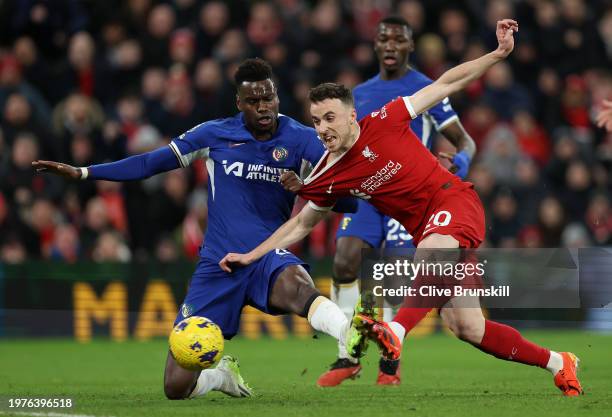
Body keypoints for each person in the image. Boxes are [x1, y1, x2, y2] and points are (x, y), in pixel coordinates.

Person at [219, 20, 583, 397]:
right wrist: (251, 255)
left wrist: (498, 53)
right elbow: (299, 226)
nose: (323, 129)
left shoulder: (387, 119)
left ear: (350, 115)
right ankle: (559, 362)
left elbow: (445, 83)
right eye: (315, 122)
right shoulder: (331, 173)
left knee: (431, 252)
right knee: (468, 327)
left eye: (329, 118)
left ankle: (395, 332)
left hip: (453, 202)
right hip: (428, 230)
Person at [33, 58, 359, 400]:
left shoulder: (302, 139)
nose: (264, 107)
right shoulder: (214, 134)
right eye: (254, 101)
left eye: (269, 98)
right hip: (217, 264)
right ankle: (221, 378)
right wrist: (85, 172)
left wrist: (306, 186)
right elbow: (148, 163)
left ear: (277, 96)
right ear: (239, 103)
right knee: (176, 388)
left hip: (264, 255)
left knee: (297, 287)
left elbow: (348, 202)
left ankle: (349, 335)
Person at [324, 15, 476, 387]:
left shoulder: (425, 89)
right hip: (365, 193)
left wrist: (460, 162)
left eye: (399, 39)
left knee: (391, 276)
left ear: (410, 46)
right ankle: (348, 353)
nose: (390, 45)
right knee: (345, 262)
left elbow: (465, 141)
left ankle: (389, 364)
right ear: (374, 45)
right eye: (383, 39)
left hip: (407, 197)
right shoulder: (356, 94)